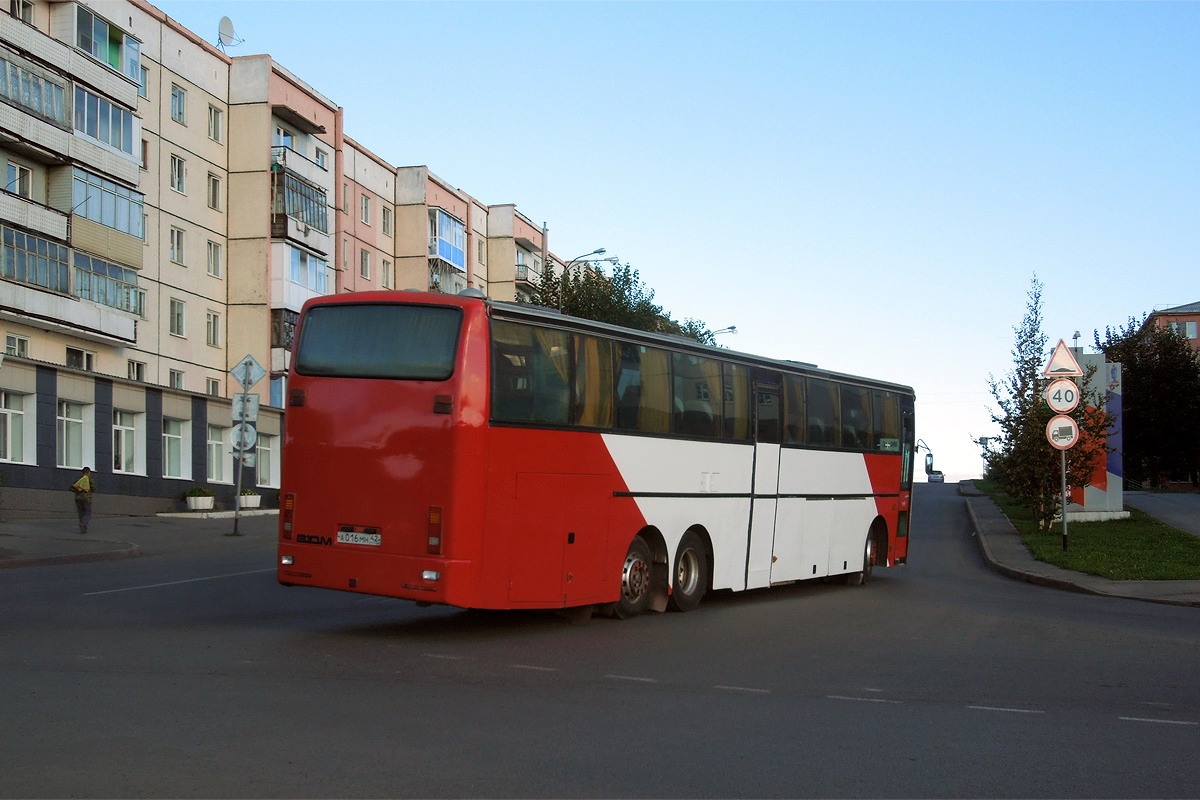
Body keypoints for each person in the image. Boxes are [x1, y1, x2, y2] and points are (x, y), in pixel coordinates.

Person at [71, 466, 96, 535]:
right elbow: (93, 489)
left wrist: (78, 489)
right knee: (87, 513)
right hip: (86, 499)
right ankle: (83, 524)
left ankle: (83, 529)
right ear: (88, 472)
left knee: (81, 513)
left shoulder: (79, 479)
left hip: (78, 498)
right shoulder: (90, 480)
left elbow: (72, 488)